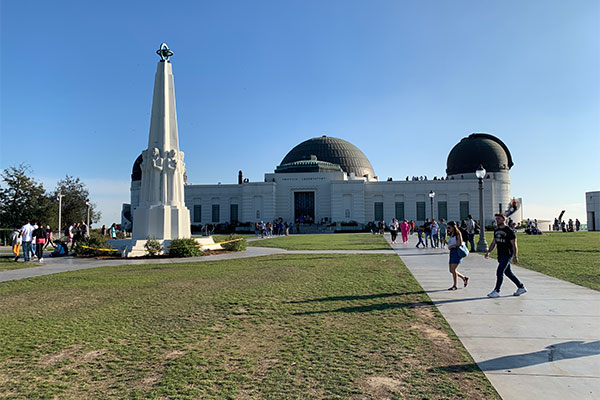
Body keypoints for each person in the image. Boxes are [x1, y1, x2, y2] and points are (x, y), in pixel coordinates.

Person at [485, 213, 527, 298]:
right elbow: (494, 242)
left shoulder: (509, 231)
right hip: (500, 254)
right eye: (496, 219)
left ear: (504, 220)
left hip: (507, 254)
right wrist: (488, 251)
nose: (497, 221)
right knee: (508, 273)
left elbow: (514, 244)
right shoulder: (496, 230)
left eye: (499, 219)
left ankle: (497, 291)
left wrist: (515, 256)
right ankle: (521, 287)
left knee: (499, 271)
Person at [446, 221, 469, 290]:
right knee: (451, 270)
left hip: (456, 252)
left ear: (453, 227)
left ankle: (455, 285)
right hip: (452, 252)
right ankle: (464, 278)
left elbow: (460, 243)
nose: (448, 229)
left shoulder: (458, 233)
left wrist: (453, 246)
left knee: (453, 270)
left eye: (449, 227)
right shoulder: (451, 234)